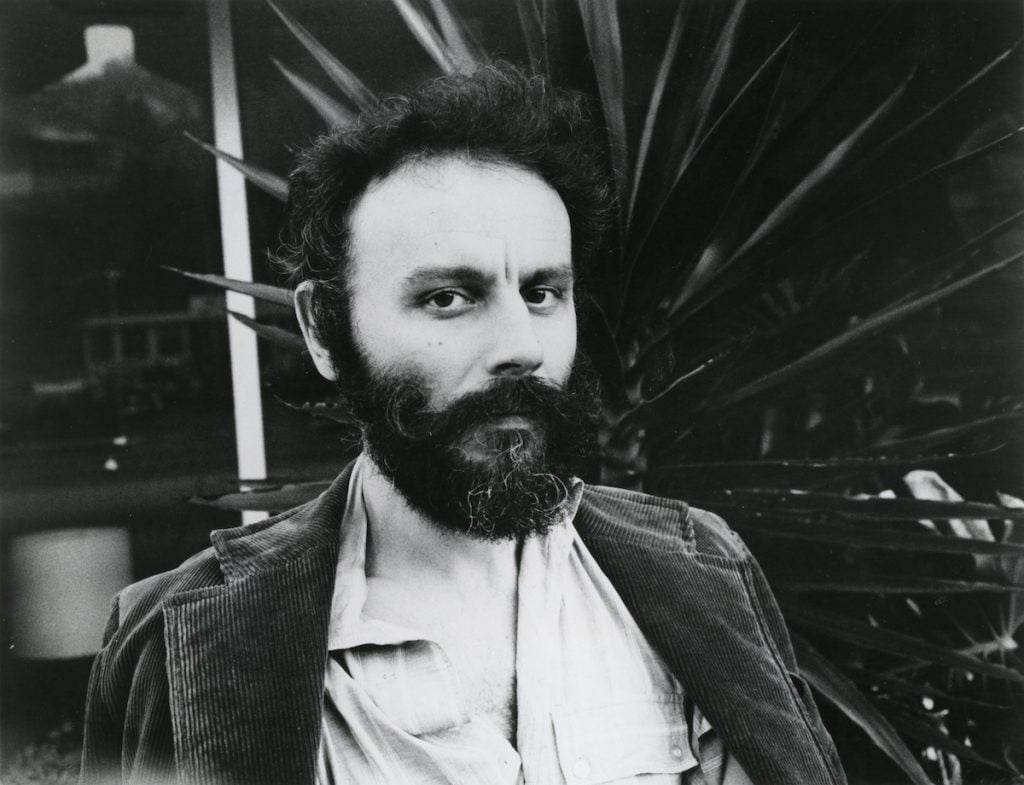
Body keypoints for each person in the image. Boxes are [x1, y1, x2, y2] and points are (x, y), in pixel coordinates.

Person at [80, 64, 846, 785]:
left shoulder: (702, 569)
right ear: (323, 327)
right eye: (449, 297)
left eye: (544, 291)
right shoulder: (182, 640)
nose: (521, 346)